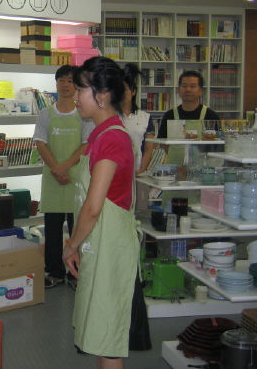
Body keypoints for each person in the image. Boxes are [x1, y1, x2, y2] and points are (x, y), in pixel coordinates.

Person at [63, 56, 151, 368]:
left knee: (109, 334)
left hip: (111, 248)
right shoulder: (101, 134)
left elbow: (93, 207)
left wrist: (71, 245)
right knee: (102, 329)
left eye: (80, 90)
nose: (75, 97)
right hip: (100, 243)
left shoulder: (112, 138)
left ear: (101, 95)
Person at [33, 65, 88, 290]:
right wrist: (56, 169)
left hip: (76, 178)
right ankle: (54, 272)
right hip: (53, 179)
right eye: (61, 80)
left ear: (77, 85)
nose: (65, 85)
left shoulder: (84, 113)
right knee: (53, 229)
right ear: (56, 83)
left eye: (70, 80)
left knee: (78, 229)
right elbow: (40, 143)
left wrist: (64, 167)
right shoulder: (45, 114)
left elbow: (86, 145)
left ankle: (77, 273)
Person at [157, 70, 220, 164]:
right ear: (178, 90)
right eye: (184, 86)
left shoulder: (210, 115)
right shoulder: (170, 115)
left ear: (200, 91)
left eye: (192, 86)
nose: (188, 89)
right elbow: (163, 142)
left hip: (203, 167)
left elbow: (218, 144)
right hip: (175, 166)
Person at [120, 71, 155, 175]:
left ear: (133, 92)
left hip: (138, 171)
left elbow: (148, 148)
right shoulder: (110, 116)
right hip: (116, 170)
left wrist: (141, 170)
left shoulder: (145, 117)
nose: (122, 93)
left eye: (125, 89)